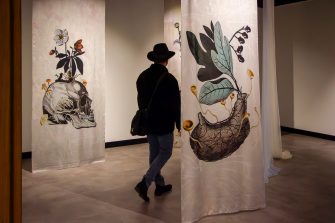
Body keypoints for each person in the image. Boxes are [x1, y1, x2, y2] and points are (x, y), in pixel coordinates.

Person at [134, 43, 181, 202]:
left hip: (149, 122)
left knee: (154, 154)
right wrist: (179, 124)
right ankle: (145, 183)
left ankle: (160, 185)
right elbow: (175, 105)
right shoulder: (170, 80)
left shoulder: (142, 76)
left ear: (154, 59)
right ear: (166, 60)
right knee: (166, 152)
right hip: (164, 123)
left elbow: (140, 100)